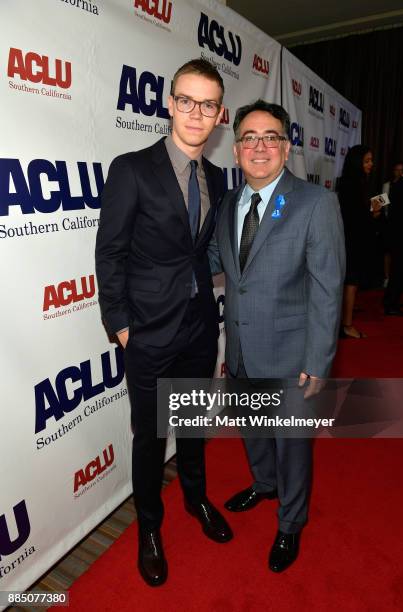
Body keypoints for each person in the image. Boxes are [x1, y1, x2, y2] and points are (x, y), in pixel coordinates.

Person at [95, 58, 232, 588]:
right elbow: (110, 254)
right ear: (169, 102)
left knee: (194, 425)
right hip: (148, 333)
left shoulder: (217, 177)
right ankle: (149, 529)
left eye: (208, 104)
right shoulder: (131, 168)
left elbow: (203, 251)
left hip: (201, 327)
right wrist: (121, 326)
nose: (196, 113)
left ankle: (196, 498)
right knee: (151, 437)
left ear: (220, 114)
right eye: (187, 101)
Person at [212, 100, 345, 572]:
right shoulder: (229, 203)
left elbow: (328, 291)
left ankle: (290, 524)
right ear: (236, 150)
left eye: (271, 137)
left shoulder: (314, 202)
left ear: (287, 149)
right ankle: (264, 485)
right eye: (249, 137)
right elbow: (218, 264)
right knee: (253, 431)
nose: (259, 146)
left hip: (293, 357)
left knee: (292, 445)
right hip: (243, 351)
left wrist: (317, 362)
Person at [337, 145, 382, 338]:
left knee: (351, 281)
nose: (371, 164)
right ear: (357, 162)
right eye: (367, 160)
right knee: (351, 281)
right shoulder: (350, 184)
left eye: (371, 160)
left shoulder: (359, 182)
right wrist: (373, 212)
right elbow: (354, 215)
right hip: (351, 239)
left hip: (356, 238)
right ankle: (346, 326)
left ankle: (345, 318)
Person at [383, 161, 403, 315]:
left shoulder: (396, 185)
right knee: (398, 268)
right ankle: (391, 303)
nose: (398, 173)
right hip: (397, 232)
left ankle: (391, 300)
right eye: (396, 170)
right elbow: (376, 205)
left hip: (395, 230)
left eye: (401, 170)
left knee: (398, 268)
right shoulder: (389, 185)